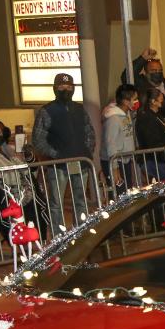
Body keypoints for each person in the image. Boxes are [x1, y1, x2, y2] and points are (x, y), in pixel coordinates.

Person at [32, 73, 95, 230]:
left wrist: (86, 150)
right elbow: (38, 140)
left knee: (80, 200)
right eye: (61, 87)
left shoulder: (79, 109)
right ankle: (58, 237)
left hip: (81, 162)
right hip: (58, 165)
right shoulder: (46, 111)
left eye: (69, 87)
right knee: (56, 203)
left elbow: (89, 132)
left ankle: (80, 231)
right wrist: (56, 156)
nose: (66, 90)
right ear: (55, 89)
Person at [122, 48, 165, 122]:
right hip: (150, 122)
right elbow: (126, 76)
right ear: (145, 73)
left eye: (160, 70)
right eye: (153, 71)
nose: (157, 73)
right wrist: (143, 58)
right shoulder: (140, 83)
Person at [101, 83, 139, 190]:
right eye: (134, 99)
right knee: (118, 194)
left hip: (124, 160)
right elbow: (110, 143)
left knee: (127, 192)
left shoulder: (126, 114)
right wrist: (114, 169)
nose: (137, 101)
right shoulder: (113, 119)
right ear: (126, 101)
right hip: (115, 162)